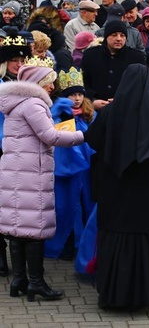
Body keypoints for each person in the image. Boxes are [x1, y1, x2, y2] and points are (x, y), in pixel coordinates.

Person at [84, 64, 149, 310]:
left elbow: (92, 140)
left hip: (117, 193)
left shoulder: (108, 114)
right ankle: (148, 294)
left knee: (116, 238)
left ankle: (114, 293)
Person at [0, 60, 85, 301]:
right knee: (34, 229)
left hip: (16, 171)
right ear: (39, 83)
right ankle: (36, 283)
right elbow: (49, 136)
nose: (52, 87)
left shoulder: (15, 103)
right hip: (31, 173)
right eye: (48, 82)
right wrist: (82, 136)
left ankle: (19, 280)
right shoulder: (34, 104)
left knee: (18, 229)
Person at [46, 68, 96, 260]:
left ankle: (82, 244)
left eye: (79, 94)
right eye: (72, 94)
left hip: (87, 168)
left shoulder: (89, 115)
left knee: (85, 206)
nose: (76, 98)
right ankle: (66, 244)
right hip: (66, 169)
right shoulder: (58, 114)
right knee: (66, 207)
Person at [80, 21, 146, 108]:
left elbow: (142, 85)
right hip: (96, 110)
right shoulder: (91, 55)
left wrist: (124, 100)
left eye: (122, 35)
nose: (119, 39)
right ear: (106, 36)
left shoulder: (136, 57)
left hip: (126, 109)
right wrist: (92, 100)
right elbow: (84, 81)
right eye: (114, 35)